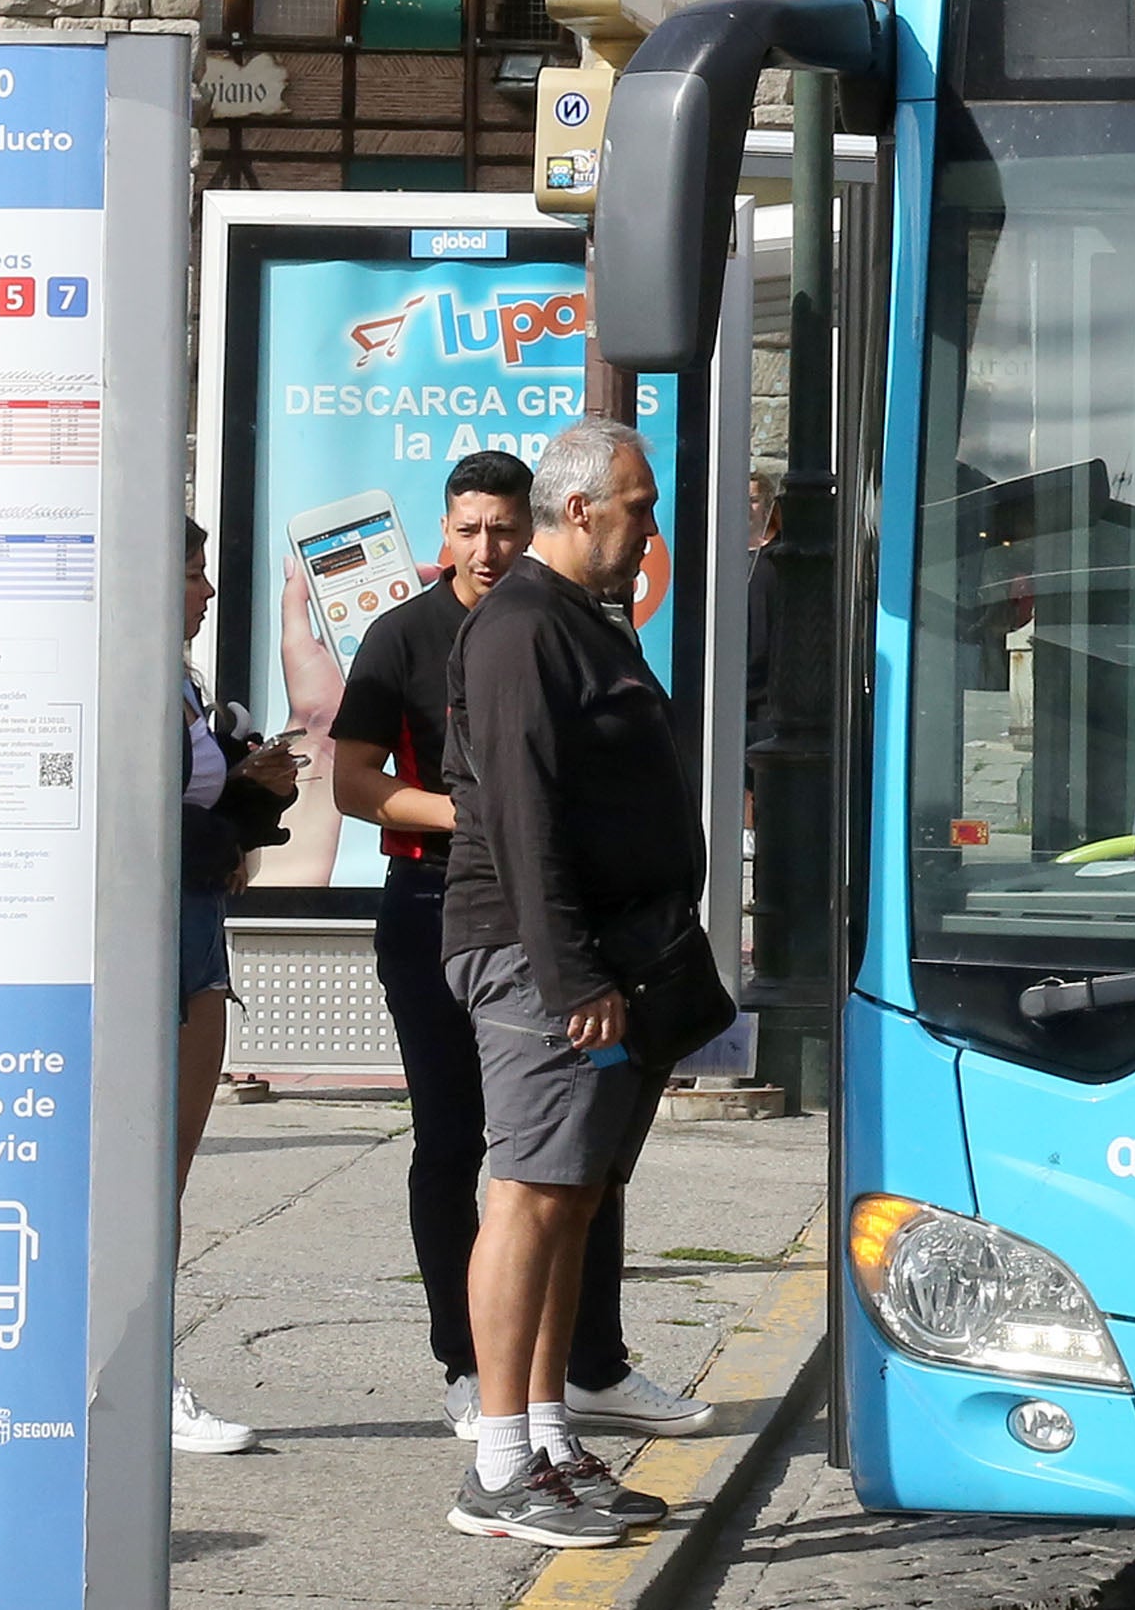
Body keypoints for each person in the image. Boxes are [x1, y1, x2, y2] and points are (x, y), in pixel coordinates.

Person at [331, 450, 705, 1444]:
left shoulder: (579, 615)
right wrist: (480, 822)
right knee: (483, 1155)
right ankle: (485, 1393)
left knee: (570, 1175)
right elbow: (373, 784)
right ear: (446, 531)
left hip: (566, 926)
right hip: (468, 913)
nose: (487, 547)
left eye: (502, 528)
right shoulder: (447, 634)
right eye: (470, 530)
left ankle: (576, 1381)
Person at [440, 420, 711, 1545]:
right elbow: (518, 813)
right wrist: (568, 977)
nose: (650, 528)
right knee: (531, 1190)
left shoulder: (579, 621)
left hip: (608, 955)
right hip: (542, 956)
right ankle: (499, 1463)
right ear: (583, 507)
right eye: (638, 506)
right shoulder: (519, 633)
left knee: (575, 1195)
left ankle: (546, 1438)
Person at [178, 517, 300, 1454]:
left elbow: (197, 805)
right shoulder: (123, 671)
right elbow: (132, 823)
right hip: (154, 929)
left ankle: (140, 1365)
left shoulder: (179, 677)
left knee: (164, 1178)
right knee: (141, 1175)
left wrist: (253, 792)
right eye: (195, 573)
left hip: (193, 928)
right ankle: (133, 1373)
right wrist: (229, 829)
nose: (209, 591)